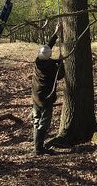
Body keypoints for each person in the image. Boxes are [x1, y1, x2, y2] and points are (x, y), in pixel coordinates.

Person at [31, 24, 64, 155]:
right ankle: (38, 148)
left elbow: (47, 48)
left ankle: (37, 146)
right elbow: (60, 75)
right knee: (43, 122)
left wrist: (56, 33)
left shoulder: (38, 60)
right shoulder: (51, 67)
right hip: (45, 98)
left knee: (36, 120)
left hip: (35, 97)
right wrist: (61, 63)